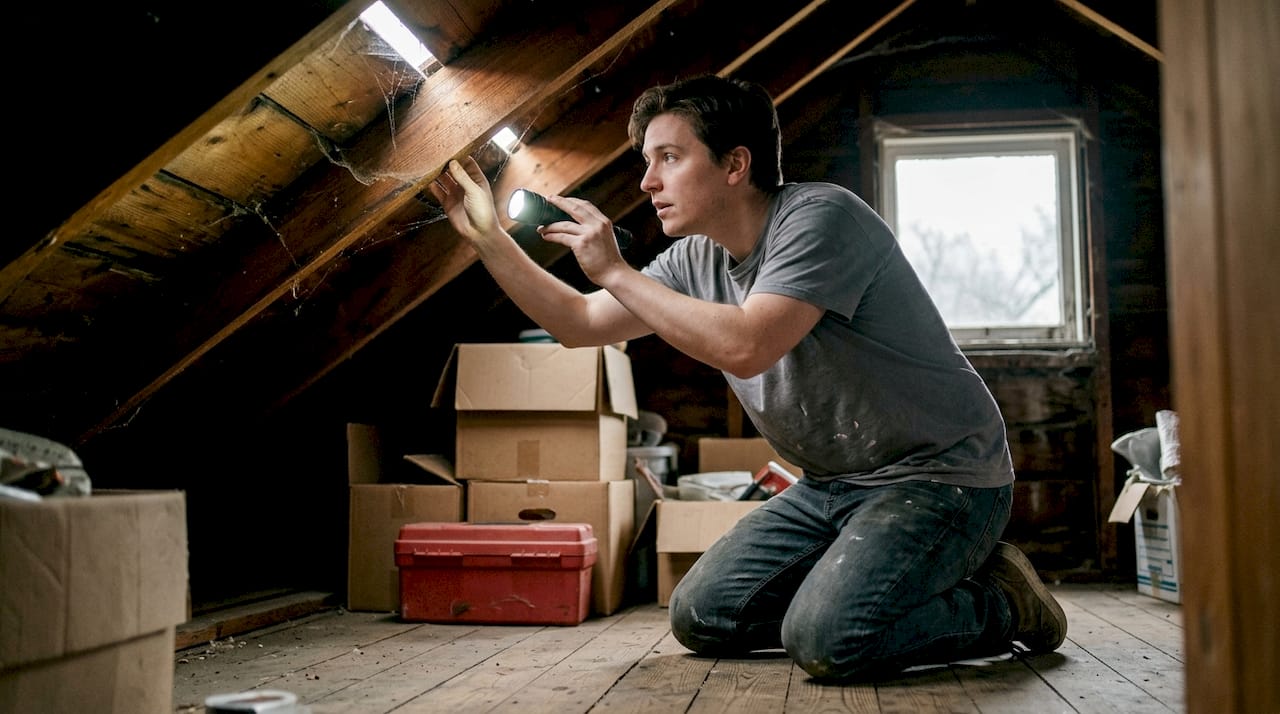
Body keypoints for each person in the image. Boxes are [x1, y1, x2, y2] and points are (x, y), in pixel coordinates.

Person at [429, 74, 1067, 681]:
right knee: (701, 615)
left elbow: (747, 345)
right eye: (647, 161)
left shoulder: (821, 218)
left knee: (829, 641)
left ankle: (1003, 602)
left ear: (735, 164)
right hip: (830, 485)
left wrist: (616, 272)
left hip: (940, 479)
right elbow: (579, 322)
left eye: (669, 157)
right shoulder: (693, 258)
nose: (648, 181)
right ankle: (859, 590)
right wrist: (488, 238)